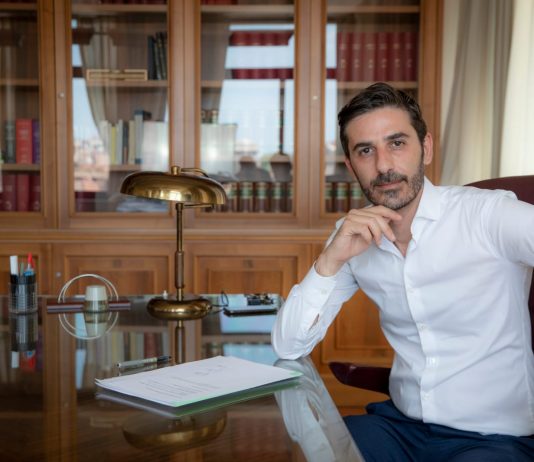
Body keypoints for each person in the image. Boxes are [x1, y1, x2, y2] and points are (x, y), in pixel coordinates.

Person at [271, 82, 534, 461]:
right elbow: (288, 346)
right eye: (366, 150)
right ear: (351, 165)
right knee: (321, 451)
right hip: (399, 426)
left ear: (425, 147)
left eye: (396, 143)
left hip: (493, 437)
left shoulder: (488, 215)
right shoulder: (352, 235)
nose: (383, 166)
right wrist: (329, 261)